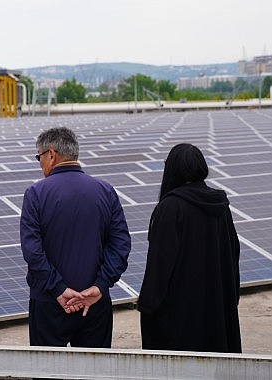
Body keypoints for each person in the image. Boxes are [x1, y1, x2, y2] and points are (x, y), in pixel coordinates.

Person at [19, 127, 131, 354]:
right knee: (94, 373)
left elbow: (32, 251)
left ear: (51, 154)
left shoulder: (36, 194)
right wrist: (99, 286)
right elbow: (121, 245)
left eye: (38, 157)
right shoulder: (105, 191)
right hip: (95, 303)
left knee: (47, 372)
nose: (39, 163)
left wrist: (59, 289)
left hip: (48, 302)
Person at [138, 143, 241, 353]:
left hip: (180, 314)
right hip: (216, 306)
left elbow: (160, 264)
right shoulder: (220, 205)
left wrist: (148, 305)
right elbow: (233, 252)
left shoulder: (171, 207)